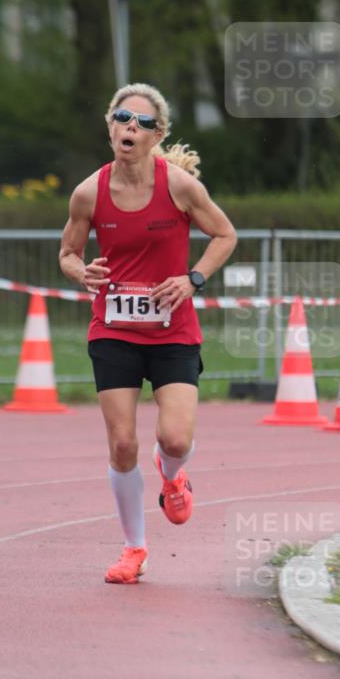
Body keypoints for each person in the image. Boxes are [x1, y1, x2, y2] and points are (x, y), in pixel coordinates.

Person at [59, 83, 237, 584]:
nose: (129, 128)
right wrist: (81, 272)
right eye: (121, 118)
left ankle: (173, 474)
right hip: (113, 330)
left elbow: (225, 235)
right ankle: (134, 548)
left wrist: (193, 278)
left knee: (174, 437)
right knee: (121, 445)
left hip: (172, 330)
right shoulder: (88, 192)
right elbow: (67, 253)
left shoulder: (179, 186)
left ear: (157, 135)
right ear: (110, 126)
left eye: (140, 122)